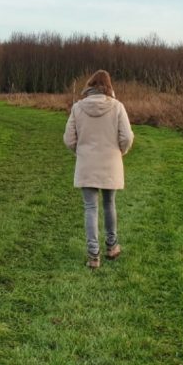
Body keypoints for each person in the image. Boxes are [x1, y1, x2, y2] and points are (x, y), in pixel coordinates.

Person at [63, 70, 134, 268]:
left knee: (90, 208)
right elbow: (127, 137)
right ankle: (112, 246)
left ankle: (93, 256)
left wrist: (81, 152)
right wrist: (121, 151)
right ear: (109, 86)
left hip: (87, 163)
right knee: (109, 204)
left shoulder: (77, 108)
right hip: (111, 163)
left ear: (90, 85)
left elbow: (68, 139)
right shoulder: (117, 107)